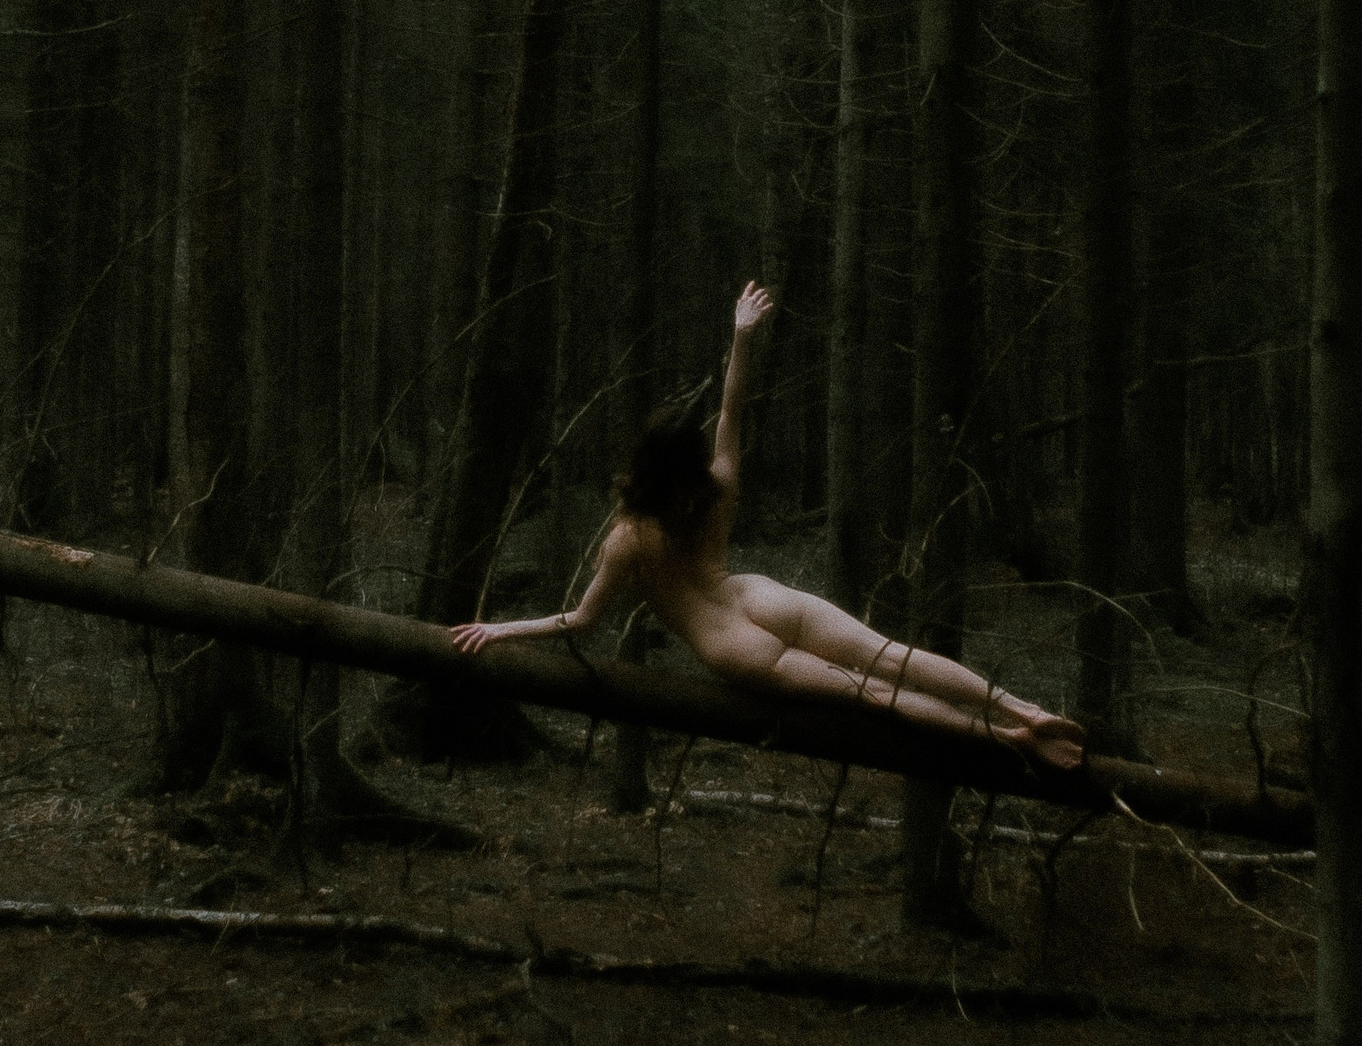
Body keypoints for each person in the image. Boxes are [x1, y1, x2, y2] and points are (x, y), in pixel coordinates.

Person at [451, 282, 1085, 767]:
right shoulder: (715, 487)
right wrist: (742, 335)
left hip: (731, 646)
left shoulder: (626, 539)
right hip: (760, 597)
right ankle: (1020, 709)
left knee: (872, 692)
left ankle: (1009, 739)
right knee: (893, 657)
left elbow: (581, 621)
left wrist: (497, 629)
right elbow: (733, 407)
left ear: (640, 465)